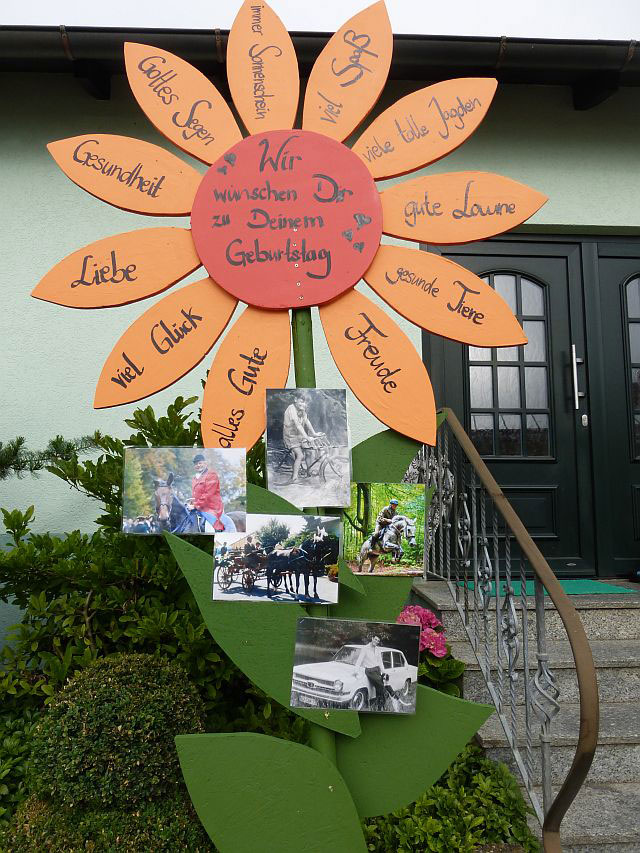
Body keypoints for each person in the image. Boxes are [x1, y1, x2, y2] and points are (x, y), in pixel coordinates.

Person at [187, 453, 237, 533]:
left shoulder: (212, 475)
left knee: (210, 528)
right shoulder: (194, 478)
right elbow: (196, 495)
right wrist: (191, 502)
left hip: (212, 507)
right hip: (200, 507)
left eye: (200, 463)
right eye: (196, 464)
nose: (198, 465)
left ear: (205, 463)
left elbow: (208, 494)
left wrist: (195, 505)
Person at [282, 394, 324, 483]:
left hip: (299, 436)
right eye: (301, 401)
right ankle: (294, 478)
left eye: (305, 403)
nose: (303, 404)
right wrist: (307, 438)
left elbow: (307, 421)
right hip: (290, 437)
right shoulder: (291, 409)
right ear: (295, 399)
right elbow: (298, 426)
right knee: (300, 455)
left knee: (309, 451)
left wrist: (314, 434)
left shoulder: (302, 410)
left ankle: (309, 472)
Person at [354, 636, 385, 707]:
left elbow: (380, 662)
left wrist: (383, 671)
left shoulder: (378, 649)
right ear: (372, 638)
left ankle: (379, 705)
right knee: (381, 685)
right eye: (375, 639)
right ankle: (382, 703)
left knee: (379, 686)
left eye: (378, 641)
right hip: (369, 670)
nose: (376, 641)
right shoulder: (365, 648)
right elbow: (359, 660)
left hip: (377, 670)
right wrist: (356, 671)